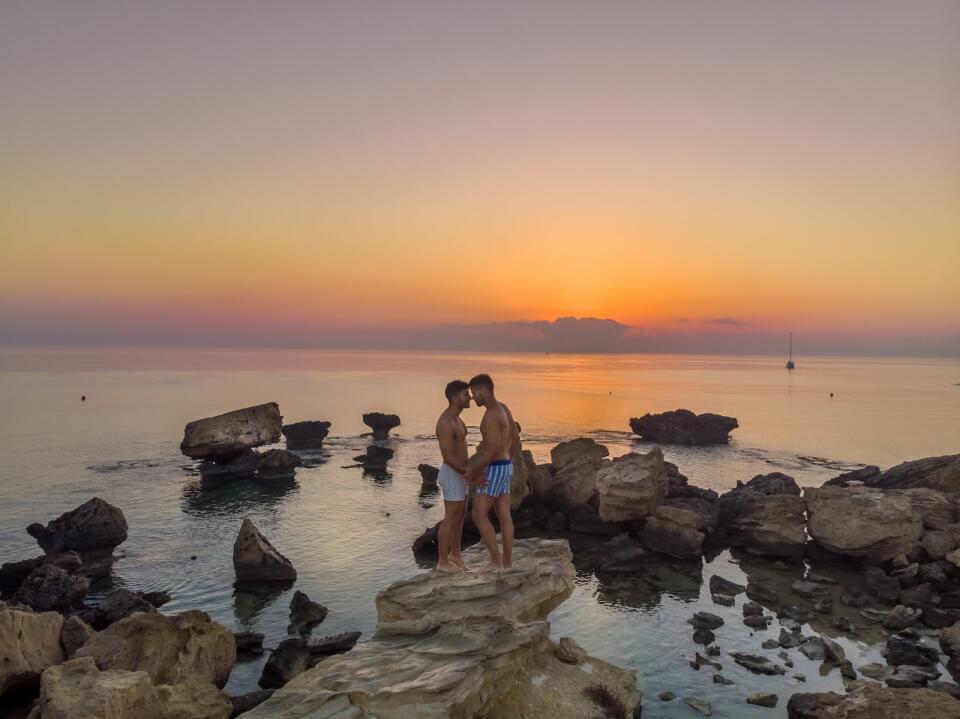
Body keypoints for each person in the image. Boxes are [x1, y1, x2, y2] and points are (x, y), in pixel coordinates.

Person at [464, 373, 520, 573]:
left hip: (496, 468)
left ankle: (496, 561)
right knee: (504, 515)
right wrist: (507, 462)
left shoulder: (490, 415)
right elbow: (515, 438)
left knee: (478, 514)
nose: (472, 397)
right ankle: (507, 561)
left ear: (483, 391)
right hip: (505, 465)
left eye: (473, 393)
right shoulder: (503, 408)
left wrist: (474, 470)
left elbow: (492, 449)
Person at [434, 379, 471, 572]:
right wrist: (469, 473)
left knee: (461, 515)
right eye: (466, 395)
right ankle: (442, 561)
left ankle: (455, 554)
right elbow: (448, 457)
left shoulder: (458, 419)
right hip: (452, 473)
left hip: (462, 474)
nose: (470, 397)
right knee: (450, 517)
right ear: (455, 398)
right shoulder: (446, 423)